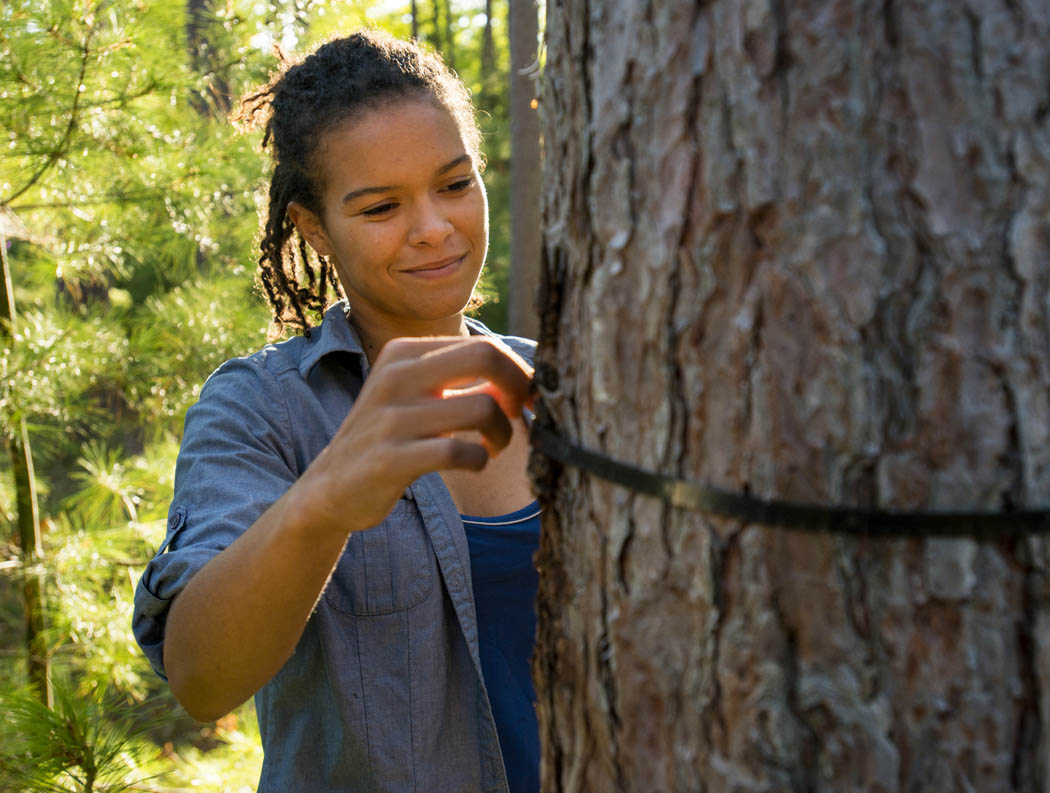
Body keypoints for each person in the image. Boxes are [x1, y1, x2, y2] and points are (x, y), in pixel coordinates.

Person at [132, 30, 541, 793]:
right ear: (315, 228)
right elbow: (201, 679)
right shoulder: (259, 408)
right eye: (381, 205)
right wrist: (323, 503)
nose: (432, 226)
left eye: (455, 183)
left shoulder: (568, 384)